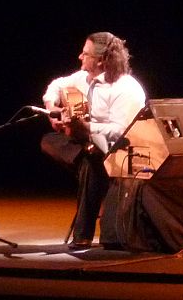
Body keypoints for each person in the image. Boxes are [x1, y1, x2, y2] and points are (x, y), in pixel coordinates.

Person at [40, 31, 147, 247]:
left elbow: (121, 131)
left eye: (85, 53)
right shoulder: (82, 78)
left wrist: (86, 127)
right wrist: (53, 109)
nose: (80, 56)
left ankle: (83, 235)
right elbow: (56, 85)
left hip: (118, 152)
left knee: (91, 163)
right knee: (50, 141)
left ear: (101, 60)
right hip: (88, 145)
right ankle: (93, 177)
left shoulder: (125, 88)